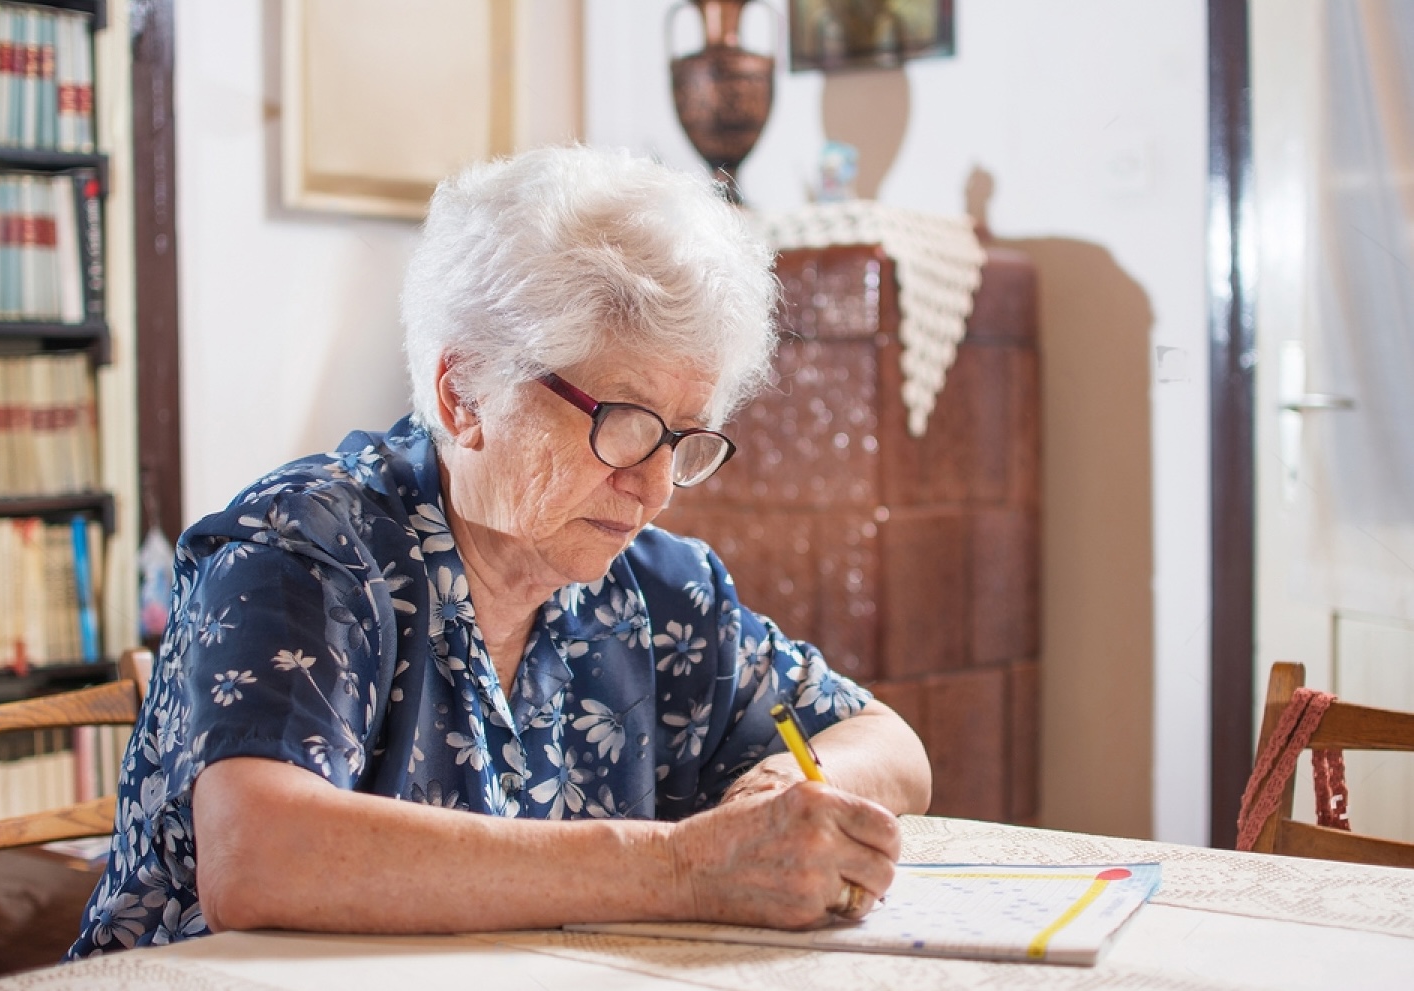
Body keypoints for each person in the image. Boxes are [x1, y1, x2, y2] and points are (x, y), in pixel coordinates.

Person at [68, 145, 932, 956]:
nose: (657, 486)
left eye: (683, 438)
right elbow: (258, 856)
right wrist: (681, 867)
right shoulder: (305, 553)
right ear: (464, 393)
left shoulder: (657, 591)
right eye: (624, 424)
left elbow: (889, 745)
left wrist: (778, 787)